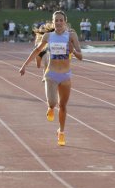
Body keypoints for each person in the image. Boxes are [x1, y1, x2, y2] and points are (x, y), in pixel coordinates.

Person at [19, 11, 82, 146]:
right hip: (51, 74)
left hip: (65, 75)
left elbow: (81, 56)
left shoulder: (71, 36)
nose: (58, 23)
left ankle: (61, 132)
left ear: (65, 21)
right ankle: (50, 107)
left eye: (61, 20)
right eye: (56, 21)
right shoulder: (48, 36)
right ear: (53, 22)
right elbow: (36, 51)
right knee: (53, 103)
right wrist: (24, 65)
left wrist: (73, 51)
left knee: (63, 106)